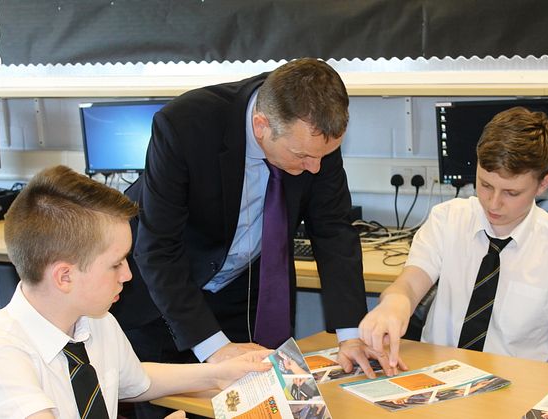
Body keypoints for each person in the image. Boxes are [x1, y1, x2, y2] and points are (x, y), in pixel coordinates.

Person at [113, 57, 397, 417]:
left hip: (240, 291)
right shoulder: (185, 125)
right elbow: (158, 250)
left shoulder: (313, 134)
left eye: (323, 155)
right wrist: (214, 350)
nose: (315, 168)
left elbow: (334, 230)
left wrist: (350, 334)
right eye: (303, 156)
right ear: (261, 126)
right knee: (168, 409)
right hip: (164, 299)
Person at [0, 165, 272, 418]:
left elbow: (134, 379)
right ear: (64, 276)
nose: (127, 275)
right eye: (115, 264)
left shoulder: (94, 320)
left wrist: (219, 374)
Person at [359, 106, 548, 367]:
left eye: (511, 193)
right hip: (437, 378)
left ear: (544, 184)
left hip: (516, 391)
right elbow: (410, 283)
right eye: (485, 185)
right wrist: (396, 302)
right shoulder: (447, 220)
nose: (494, 203)